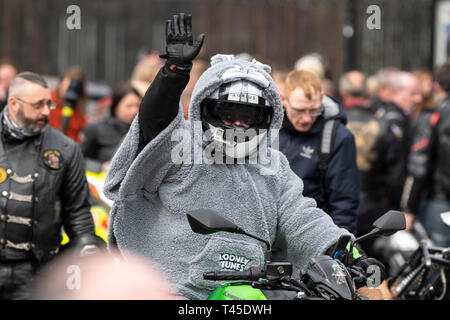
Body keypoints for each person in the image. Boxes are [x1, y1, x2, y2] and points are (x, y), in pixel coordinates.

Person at [103, 13, 385, 300]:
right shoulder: (182, 144)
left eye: (249, 116)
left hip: (248, 291)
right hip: (168, 289)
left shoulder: (273, 166)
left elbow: (304, 220)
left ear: (269, 117)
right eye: (229, 113)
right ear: (206, 108)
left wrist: (352, 255)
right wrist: (172, 74)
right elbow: (154, 126)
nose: (239, 124)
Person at [0, 72, 99, 299]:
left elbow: (78, 213)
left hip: (36, 270)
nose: (47, 111)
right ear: (14, 103)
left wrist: (86, 247)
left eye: (49, 103)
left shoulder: (66, 149)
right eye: (38, 105)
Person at [278, 69, 359, 234]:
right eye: (299, 111)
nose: (307, 118)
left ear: (322, 99)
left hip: (315, 235)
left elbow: (344, 203)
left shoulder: (338, 137)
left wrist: (339, 249)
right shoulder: (267, 129)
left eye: (314, 110)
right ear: (283, 100)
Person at [345, 74, 408, 257]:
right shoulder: (383, 124)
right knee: (372, 267)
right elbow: (396, 176)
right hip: (374, 209)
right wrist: (395, 207)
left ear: (343, 92)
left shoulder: (334, 125)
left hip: (339, 208)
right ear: (367, 93)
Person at [401, 61, 450, 246]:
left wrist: (408, 209)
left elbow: (418, 165)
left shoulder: (433, 117)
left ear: (437, 86)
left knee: (437, 263)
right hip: (440, 199)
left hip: (440, 202)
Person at [80, 82, 142, 172]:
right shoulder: (95, 129)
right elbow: (78, 160)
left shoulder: (143, 132)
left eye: (138, 106)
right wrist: (101, 167)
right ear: (116, 107)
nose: (134, 110)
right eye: (129, 106)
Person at [49, 66, 88, 144]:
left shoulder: (79, 109)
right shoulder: (51, 101)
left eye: (76, 84)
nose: (71, 87)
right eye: (69, 82)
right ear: (61, 82)